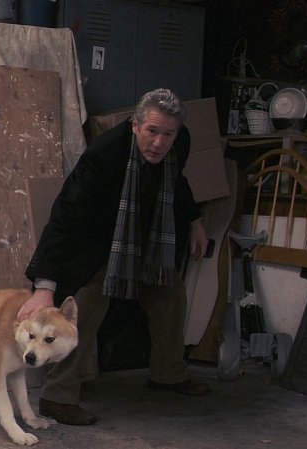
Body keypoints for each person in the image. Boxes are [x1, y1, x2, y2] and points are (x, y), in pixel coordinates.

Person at [17, 88, 211, 426]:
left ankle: (168, 373)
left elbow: (177, 182)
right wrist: (44, 288)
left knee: (170, 294)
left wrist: (195, 221)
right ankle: (56, 396)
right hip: (97, 244)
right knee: (87, 304)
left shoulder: (179, 143)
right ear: (135, 125)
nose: (159, 143)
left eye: (168, 134)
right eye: (151, 131)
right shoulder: (103, 155)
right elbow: (64, 218)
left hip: (145, 240)